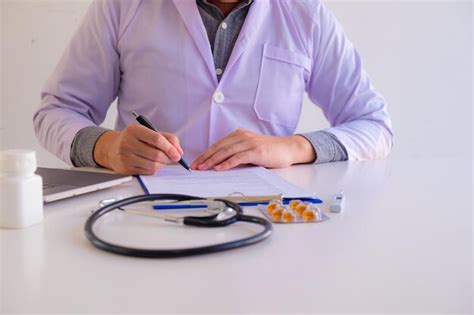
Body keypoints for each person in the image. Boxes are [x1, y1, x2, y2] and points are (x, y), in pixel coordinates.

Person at [33, 0, 393, 175]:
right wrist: (106, 148)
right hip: (143, 218)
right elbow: (56, 110)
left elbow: (374, 126)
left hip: (270, 226)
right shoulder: (125, 6)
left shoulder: (304, 14)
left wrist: (294, 147)